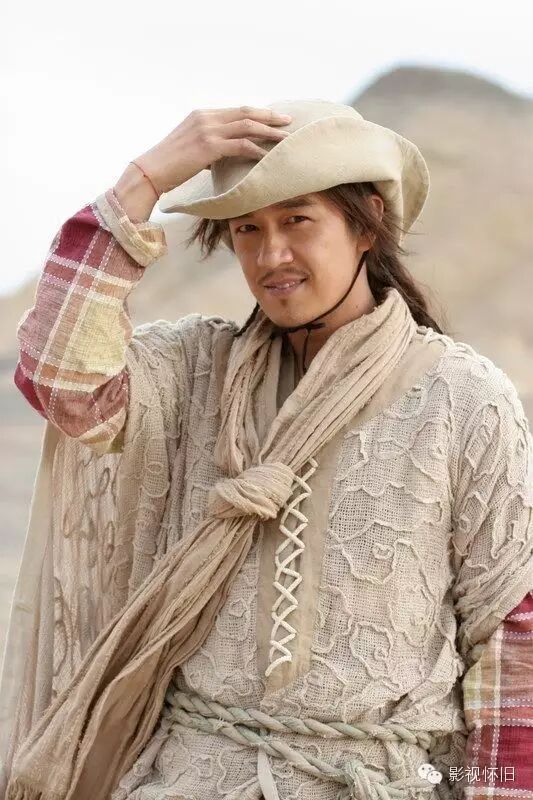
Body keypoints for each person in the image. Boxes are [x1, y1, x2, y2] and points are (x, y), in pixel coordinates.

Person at [1, 99, 532, 800]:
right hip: (187, 778)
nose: (270, 254)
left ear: (366, 223)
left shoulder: (462, 396)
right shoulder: (192, 371)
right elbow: (61, 382)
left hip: (383, 781)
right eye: (247, 228)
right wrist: (143, 181)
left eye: (297, 220)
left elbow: (511, 639)